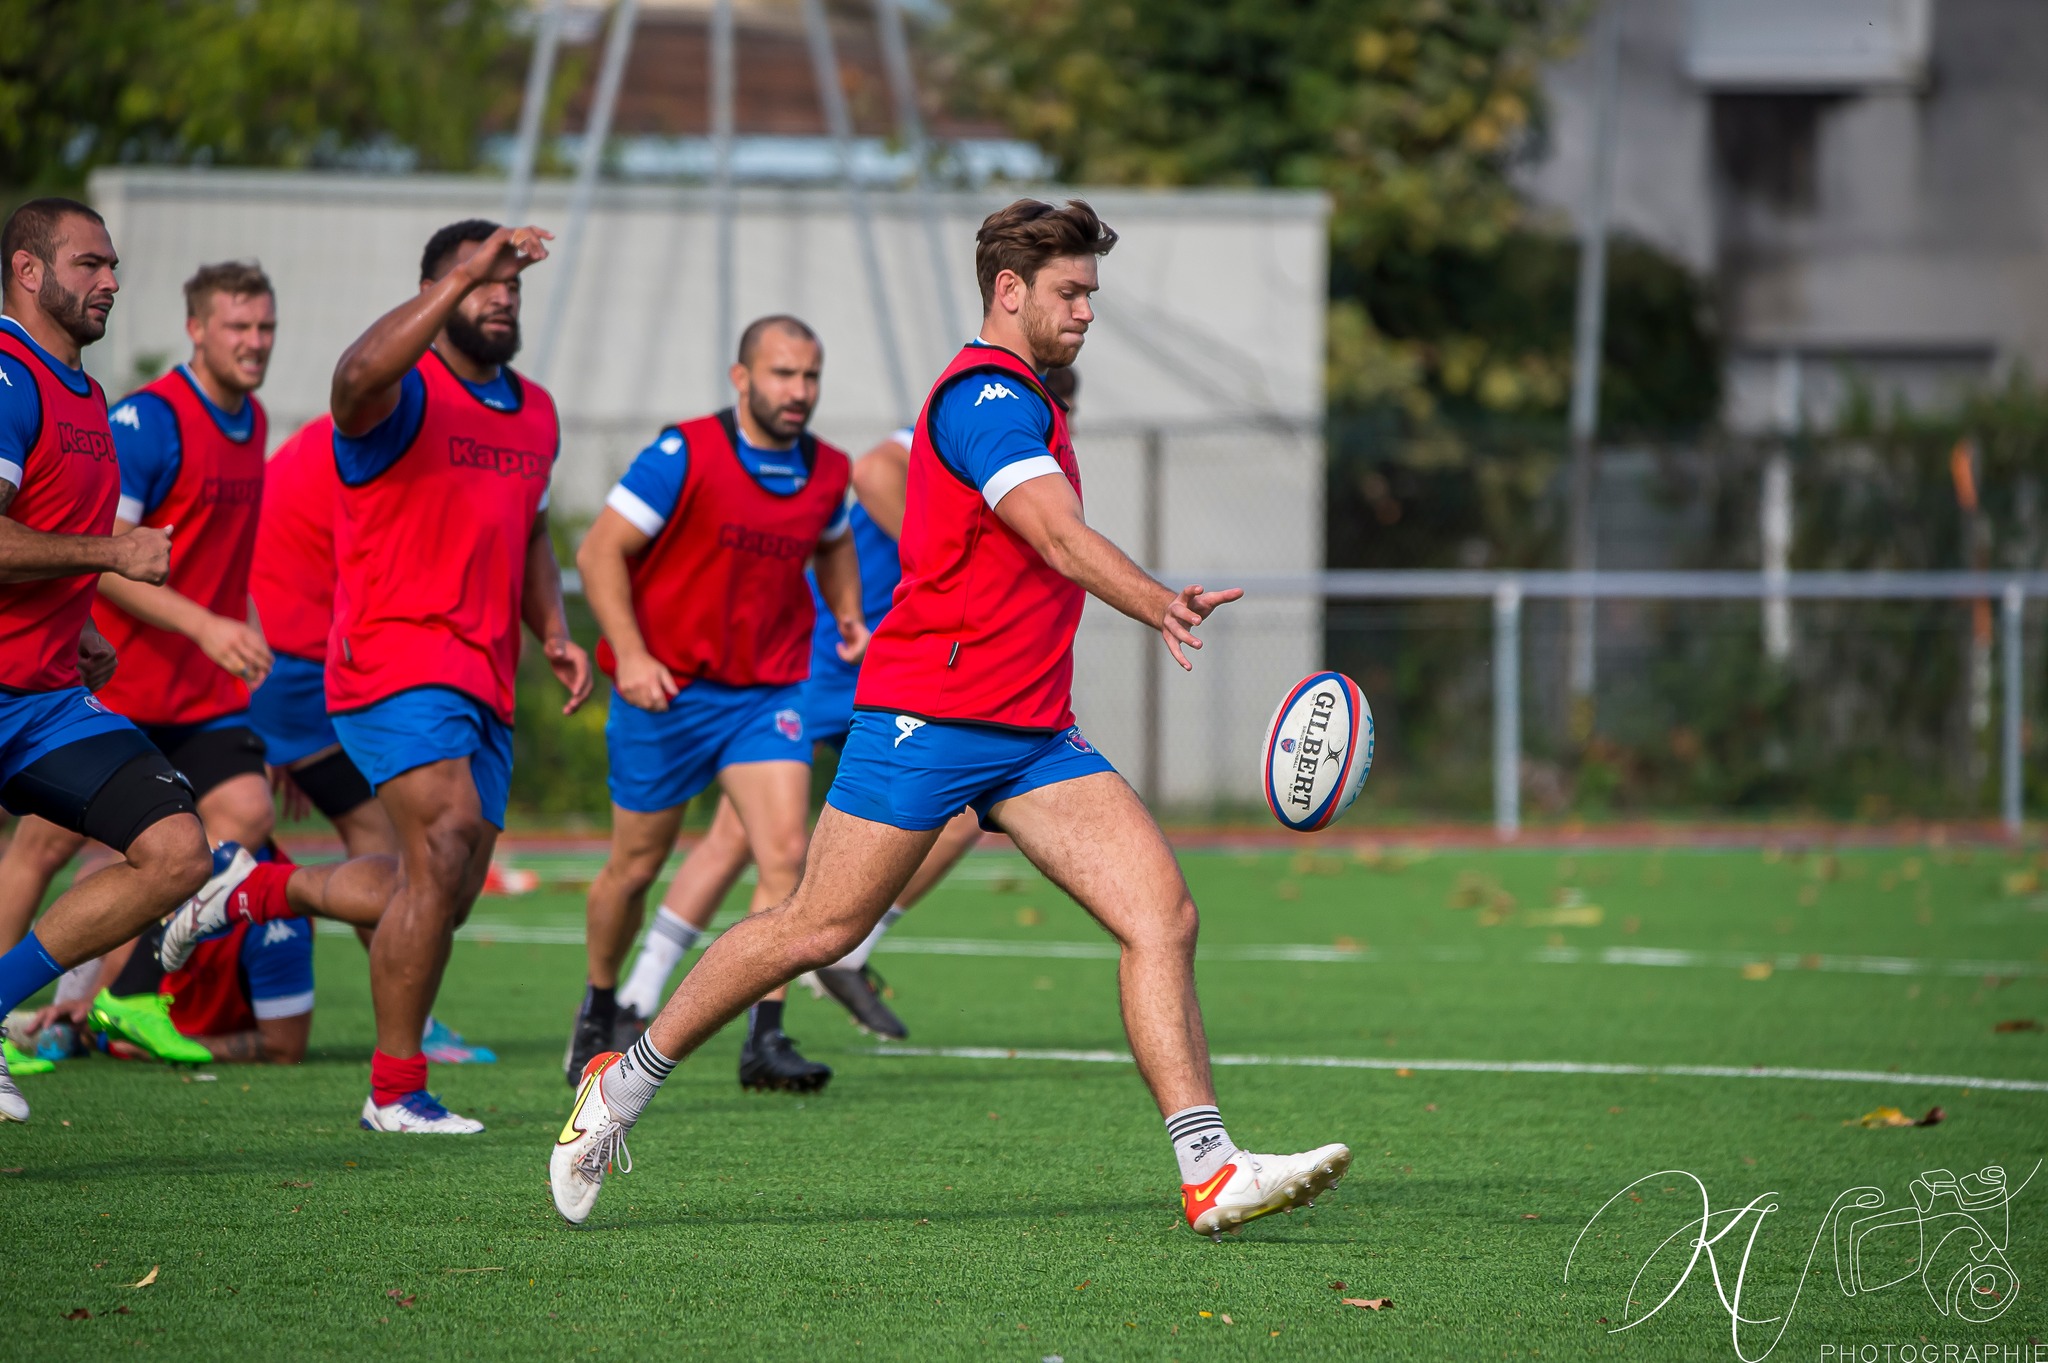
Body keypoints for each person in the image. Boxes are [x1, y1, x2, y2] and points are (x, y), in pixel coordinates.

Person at [550, 199, 1349, 1236]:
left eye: (1091, 294)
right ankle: (620, 1084)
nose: (1085, 312)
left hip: (1030, 732)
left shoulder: (1030, 402)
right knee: (815, 925)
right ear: (1008, 293)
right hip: (927, 717)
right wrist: (1154, 598)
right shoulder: (983, 398)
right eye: (1069, 293)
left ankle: (1208, 1169)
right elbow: (1055, 536)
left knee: (1162, 915)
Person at [160, 218, 593, 1134]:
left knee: (438, 892)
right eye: (482, 283)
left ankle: (247, 889)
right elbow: (353, 375)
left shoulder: (540, 412)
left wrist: (552, 628)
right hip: (392, 659)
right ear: (435, 297)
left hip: (486, 678)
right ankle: (396, 1088)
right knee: (442, 846)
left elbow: (531, 535)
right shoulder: (397, 398)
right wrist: (460, 274)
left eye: (512, 285)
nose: (502, 296)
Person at [612, 369, 1083, 1040]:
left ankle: (848, 956)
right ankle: (639, 994)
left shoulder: (1028, 452)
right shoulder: (970, 420)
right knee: (740, 836)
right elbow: (874, 470)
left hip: (903, 674)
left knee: (958, 817)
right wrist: (943, 552)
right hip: (833, 657)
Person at [565, 316, 867, 1093]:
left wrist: (847, 612)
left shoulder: (827, 470)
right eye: (782, 375)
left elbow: (833, 541)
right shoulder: (684, 454)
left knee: (784, 855)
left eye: (810, 377)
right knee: (633, 867)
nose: (798, 392)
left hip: (765, 694)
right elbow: (599, 550)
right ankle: (600, 1007)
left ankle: (764, 1039)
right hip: (665, 692)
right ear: (741, 379)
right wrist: (629, 654)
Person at [0, 260, 279, 1065]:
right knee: (42, 846)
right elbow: (115, 557)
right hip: (120, 681)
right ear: (196, 330)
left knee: (230, 822)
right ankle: (36, 1015)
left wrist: (236, 633)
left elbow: (202, 558)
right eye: (238, 326)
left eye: (264, 327)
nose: (254, 342)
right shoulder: (145, 421)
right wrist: (198, 624)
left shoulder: (251, 422)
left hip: (192, 691)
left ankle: (108, 1000)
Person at [0, 197, 213, 1122]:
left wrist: (79, 620)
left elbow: (42, 535)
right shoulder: (8, 377)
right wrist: (109, 558)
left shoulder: (87, 396)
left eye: (114, 265)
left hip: (44, 699)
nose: (112, 282)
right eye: (90, 264)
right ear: (29, 271)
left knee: (176, 853)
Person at [247, 414, 494, 1065]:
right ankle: (408, 1029)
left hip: (305, 665)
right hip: (303, 665)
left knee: (420, 857)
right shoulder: (379, 434)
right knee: (402, 849)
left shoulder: (359, 423)